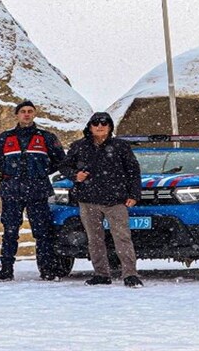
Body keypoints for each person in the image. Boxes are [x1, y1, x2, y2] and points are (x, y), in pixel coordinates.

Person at [60, 111, 144, 288]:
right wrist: (75, 175)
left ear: (110, 127)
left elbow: (133, 171)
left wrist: (134, 194)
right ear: (90, 127)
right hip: (88, 200)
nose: (100, 126)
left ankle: (130, 274)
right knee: (94, 239)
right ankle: (101, 274)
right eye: (96, 123)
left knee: (122, 237)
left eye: (104, 123)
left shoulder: (121, 146)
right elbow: (64, 166)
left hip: (115, 200)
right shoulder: (79, 146)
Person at [0, 100, 67, 282]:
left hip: (38, 191)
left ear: (34, 114)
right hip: (12, 191)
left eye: (29, 111)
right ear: (16, 115)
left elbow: (60, 160)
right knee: (10, 231)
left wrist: (42, 171)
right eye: (23, 111)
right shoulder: (5, 138)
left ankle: (47, 269)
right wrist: (10, 171)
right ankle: (6, 270)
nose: (26, 114)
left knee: (42, 233)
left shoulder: (46, 137)